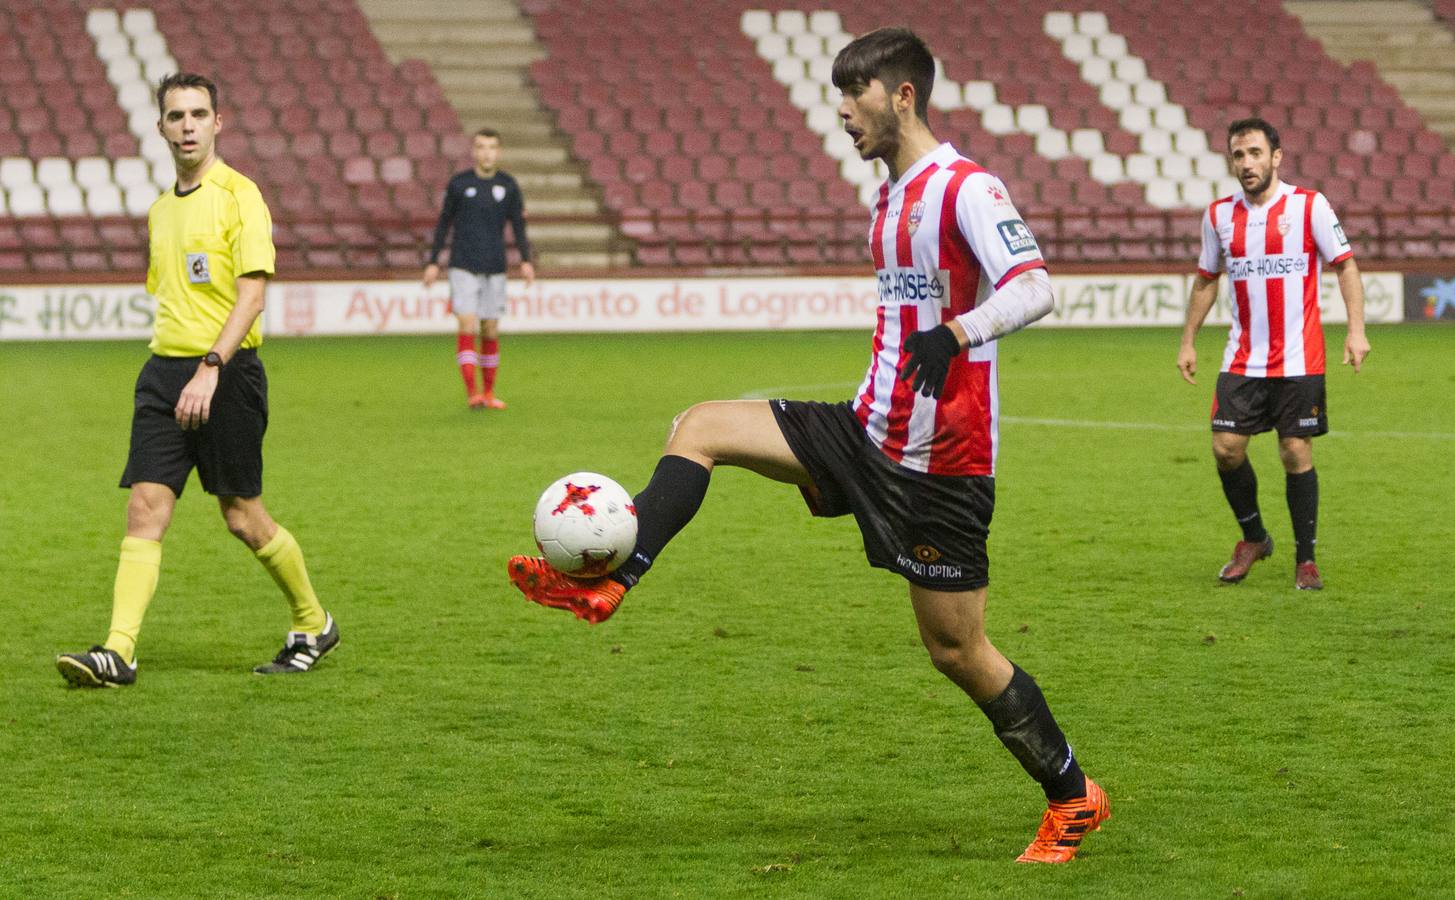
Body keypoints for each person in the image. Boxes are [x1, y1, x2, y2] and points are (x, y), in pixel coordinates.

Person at [507, 28, 1108, 864]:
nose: (839, 112)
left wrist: (957, 333)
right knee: (703, 425)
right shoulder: (889, 195)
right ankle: (611, 579)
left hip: (940, 466)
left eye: (852, 95)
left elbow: (1035, 285)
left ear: (900, 95)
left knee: (955, 650)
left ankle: (1073, 796)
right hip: (864, 428)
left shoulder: (963, 187)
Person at [56, 73, 338, 687]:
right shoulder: (160, 211)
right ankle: (119, 651)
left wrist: (211, 368)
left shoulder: (241, 196)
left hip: (227, 373)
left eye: (198, 114)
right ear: (160, 128)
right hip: (163, 374)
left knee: (242, 516)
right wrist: (181, 369)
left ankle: (313, 622)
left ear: (218, 123)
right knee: (145, 508)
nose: (187, 125)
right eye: (176, 116)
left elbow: (253, 293)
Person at [1178, 117, 1370, 590]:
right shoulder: (1219, 215)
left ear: (1276, 157)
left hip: (1300, 357)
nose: (1247, 163)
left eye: (1255, 153)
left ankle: (1306, 560)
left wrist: (1356, 330)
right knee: (1226, 449)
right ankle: (1254, 537)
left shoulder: (1310, 206)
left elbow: (1346, 268)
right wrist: (1187, 340)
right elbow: (1206, 280)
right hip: (1242, 357)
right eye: (1239, 155)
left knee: (1294, 450)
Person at [423, 128, 534, 410]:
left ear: (499, 152)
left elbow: (518, 225)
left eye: (492, 147)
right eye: (482, 147)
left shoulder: (508, 185)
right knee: (467, 323)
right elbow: (444, 222)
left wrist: (526, 259)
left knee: (490, 328)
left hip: (494, 265)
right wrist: (434, 261)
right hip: (463, 264)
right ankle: (472, 393)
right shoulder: (460, 184)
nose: (487, 152)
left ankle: (488, 392)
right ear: (474, 152)